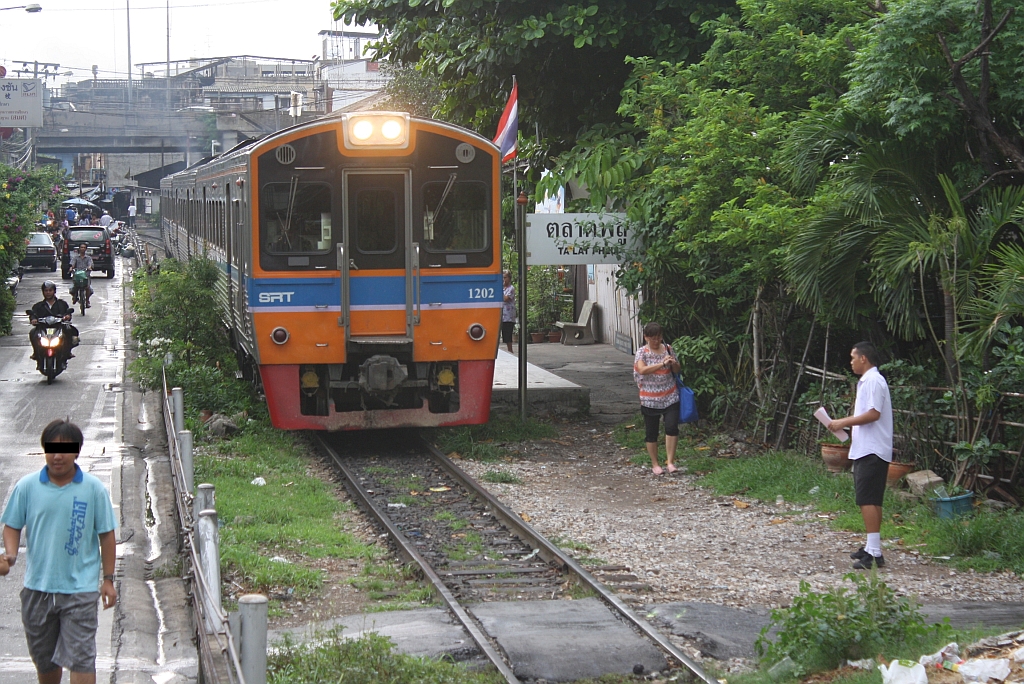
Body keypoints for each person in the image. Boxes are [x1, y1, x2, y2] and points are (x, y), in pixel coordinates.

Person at [1, 419, 118, 684]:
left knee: (81, 658)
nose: (57, 456)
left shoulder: (94, 489)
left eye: (65, 450)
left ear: (77, 452)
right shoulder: (27, 486)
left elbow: (107, 535)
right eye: (51, 449)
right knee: (45, 661)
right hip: (37, 589)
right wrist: (10, 555)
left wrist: (108, 580)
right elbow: (12, 525)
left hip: (80, 591)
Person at [827, 341, 893, 570]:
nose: (851, 362)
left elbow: (873, 413)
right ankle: (872, 546)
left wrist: (843, 422)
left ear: (863, 358)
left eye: (853, 358)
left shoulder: (874, 380)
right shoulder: (867, 381)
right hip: (868, 447)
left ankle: (874, 553)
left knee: (867, 499)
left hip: (872, 448)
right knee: (872, 498)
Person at [633, 322, 681, 475]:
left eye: (659, 338)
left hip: (670, 395)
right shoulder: (642, 352)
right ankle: (655, 464)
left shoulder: (668, 349)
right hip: (649, 398)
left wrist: (673, 363)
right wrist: (661, 364)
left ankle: (670, 462)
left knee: (672, 427)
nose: (656, 341)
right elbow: (642, 370)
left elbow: (677, 369)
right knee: (651, 432)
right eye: (653, 338)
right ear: (646, 337)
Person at [29, 281, 79, 365]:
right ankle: (36, 353)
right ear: (43, 292)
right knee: (32, 332)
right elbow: (33, 315)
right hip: (43, 328)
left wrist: (67, 316)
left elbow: (67, 313)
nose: (48, 292)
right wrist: (33, 319)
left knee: (70, 331)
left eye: (50, 290)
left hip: (59, 327)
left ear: (54, 291)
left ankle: (67, 352)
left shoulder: (62, 304)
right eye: (46, 290)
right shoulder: (38, 306)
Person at [501, 270, 515, 353]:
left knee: (508, 334)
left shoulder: (511, 288)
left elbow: (505, 298)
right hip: (502, 315)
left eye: (505, 277)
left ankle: (510, 350)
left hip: (508, 316)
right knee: (504, 334)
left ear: (509, 278)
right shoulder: (502, 288)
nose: (503, 279)